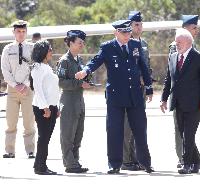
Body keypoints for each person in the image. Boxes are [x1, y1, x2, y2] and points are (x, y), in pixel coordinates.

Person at [75, 20, 154, 174]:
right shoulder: (107, 47)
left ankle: (145, 163)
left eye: (128, 32)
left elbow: (143, 66)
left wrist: (149, 87)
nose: (127, 35)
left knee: (140, 129)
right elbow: (95, 61)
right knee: (114, 130)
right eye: (123, 33)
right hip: (116, 96)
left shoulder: (135, 45)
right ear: (115, 33)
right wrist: (85, 71)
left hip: (134, 95)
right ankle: (114, 164)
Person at [160, 28, 200, 174]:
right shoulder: (173, 57)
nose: (176, 44)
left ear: (189, 42)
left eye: (179, 42)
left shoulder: (199, 57)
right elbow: (168, 80)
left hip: (195, 104)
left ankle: (187, 164)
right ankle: (197, 163)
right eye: (176, 42)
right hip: (177, 102)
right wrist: (164, 99)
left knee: (189, 134)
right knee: (183, 134)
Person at [168, 15, 200, 169]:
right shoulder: (175, 46)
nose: (197, 30)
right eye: (194, 27)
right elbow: (171, 73)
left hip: (192, 97)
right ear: (185, 29)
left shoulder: (194, 48)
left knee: (188, 132)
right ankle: (183, 158)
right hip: (179, 97)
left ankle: (192, 160)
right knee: (181, 131)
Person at [121, 10, 152, 171]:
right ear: (130, 26)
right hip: (129, 89)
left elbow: (147, 66)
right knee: (127, 125)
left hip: (141, 90)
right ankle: (126, 160)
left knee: (139, 125)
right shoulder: (125, 43)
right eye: (136, 24)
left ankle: (137, 158)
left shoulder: (144, 43)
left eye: (140, 24)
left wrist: (148, 86)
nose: (139, 27)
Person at [1, 20, 35, 159]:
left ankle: (30, 150)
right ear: (14, 32)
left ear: (26, 32)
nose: (21, 34)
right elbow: (5, 70)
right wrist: (15, 85)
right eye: (18, 31)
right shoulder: (8, 49)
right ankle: (10, 151)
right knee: (11, 121)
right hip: (13, 90)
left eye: (23, 31)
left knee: (29, 122)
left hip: (28, 89)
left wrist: (25, 84)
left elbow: (35, 68)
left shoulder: (32, 48)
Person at [56, 30, 90, 173]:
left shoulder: (79, 60)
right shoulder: (64, 60)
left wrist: (87, 80)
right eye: (79, 42)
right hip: (69, 101)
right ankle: (70, 164)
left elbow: (81, 78)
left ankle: (75, 161)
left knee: (78, 133)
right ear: (70, 43)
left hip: (79, 100)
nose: (82, 45)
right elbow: (61, 82)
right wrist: (79, 84)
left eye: (83, 42)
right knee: (68, 134)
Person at [31, 40, 59, 175]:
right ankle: (40, 167)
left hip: (51, 107)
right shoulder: (37, 68)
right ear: (42, 52)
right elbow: (38, 89)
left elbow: (52, 89)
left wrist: (56, 107)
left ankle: (38, 163)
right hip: (43, 108)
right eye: (49, 50)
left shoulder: (46, 66)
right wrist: (45, 108)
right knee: (44, 138)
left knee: (46, 138)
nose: (51, 52)